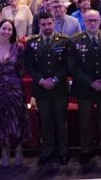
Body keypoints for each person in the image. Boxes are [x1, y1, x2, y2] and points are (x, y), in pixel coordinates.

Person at [25, 11, 72, 166]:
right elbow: (29, 66)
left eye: (49, 23)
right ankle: (47, 151)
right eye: (43, 24)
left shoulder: (64, 41)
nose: (47, 27)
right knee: (45, 122)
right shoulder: (32, 42)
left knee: (61, 121)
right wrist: (41, 80)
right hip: (41, 90)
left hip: (60, 89)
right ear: (39, 25)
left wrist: (56, 79)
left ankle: (63, 152)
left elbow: (68, 64)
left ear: (54, 23)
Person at [0, 19, 31, 167]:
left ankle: (18, 148)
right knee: (0, 120)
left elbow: (22, 69)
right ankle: (4, 149)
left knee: (18, 119)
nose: (6, 32)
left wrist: (11, 80)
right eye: (4, 29)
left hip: (15, 88)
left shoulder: (19, 47)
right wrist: (0, 79)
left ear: (13, 32)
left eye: (9, 30)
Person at [70, 10, 101, 166]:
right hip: (84, 88)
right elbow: (73, 66)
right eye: (89, 20)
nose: (92, 23)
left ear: (100, 20)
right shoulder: (75, 39)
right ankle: (87, 149)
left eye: (95, 20)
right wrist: (91, 82)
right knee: (85, 121)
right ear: (84, 20)